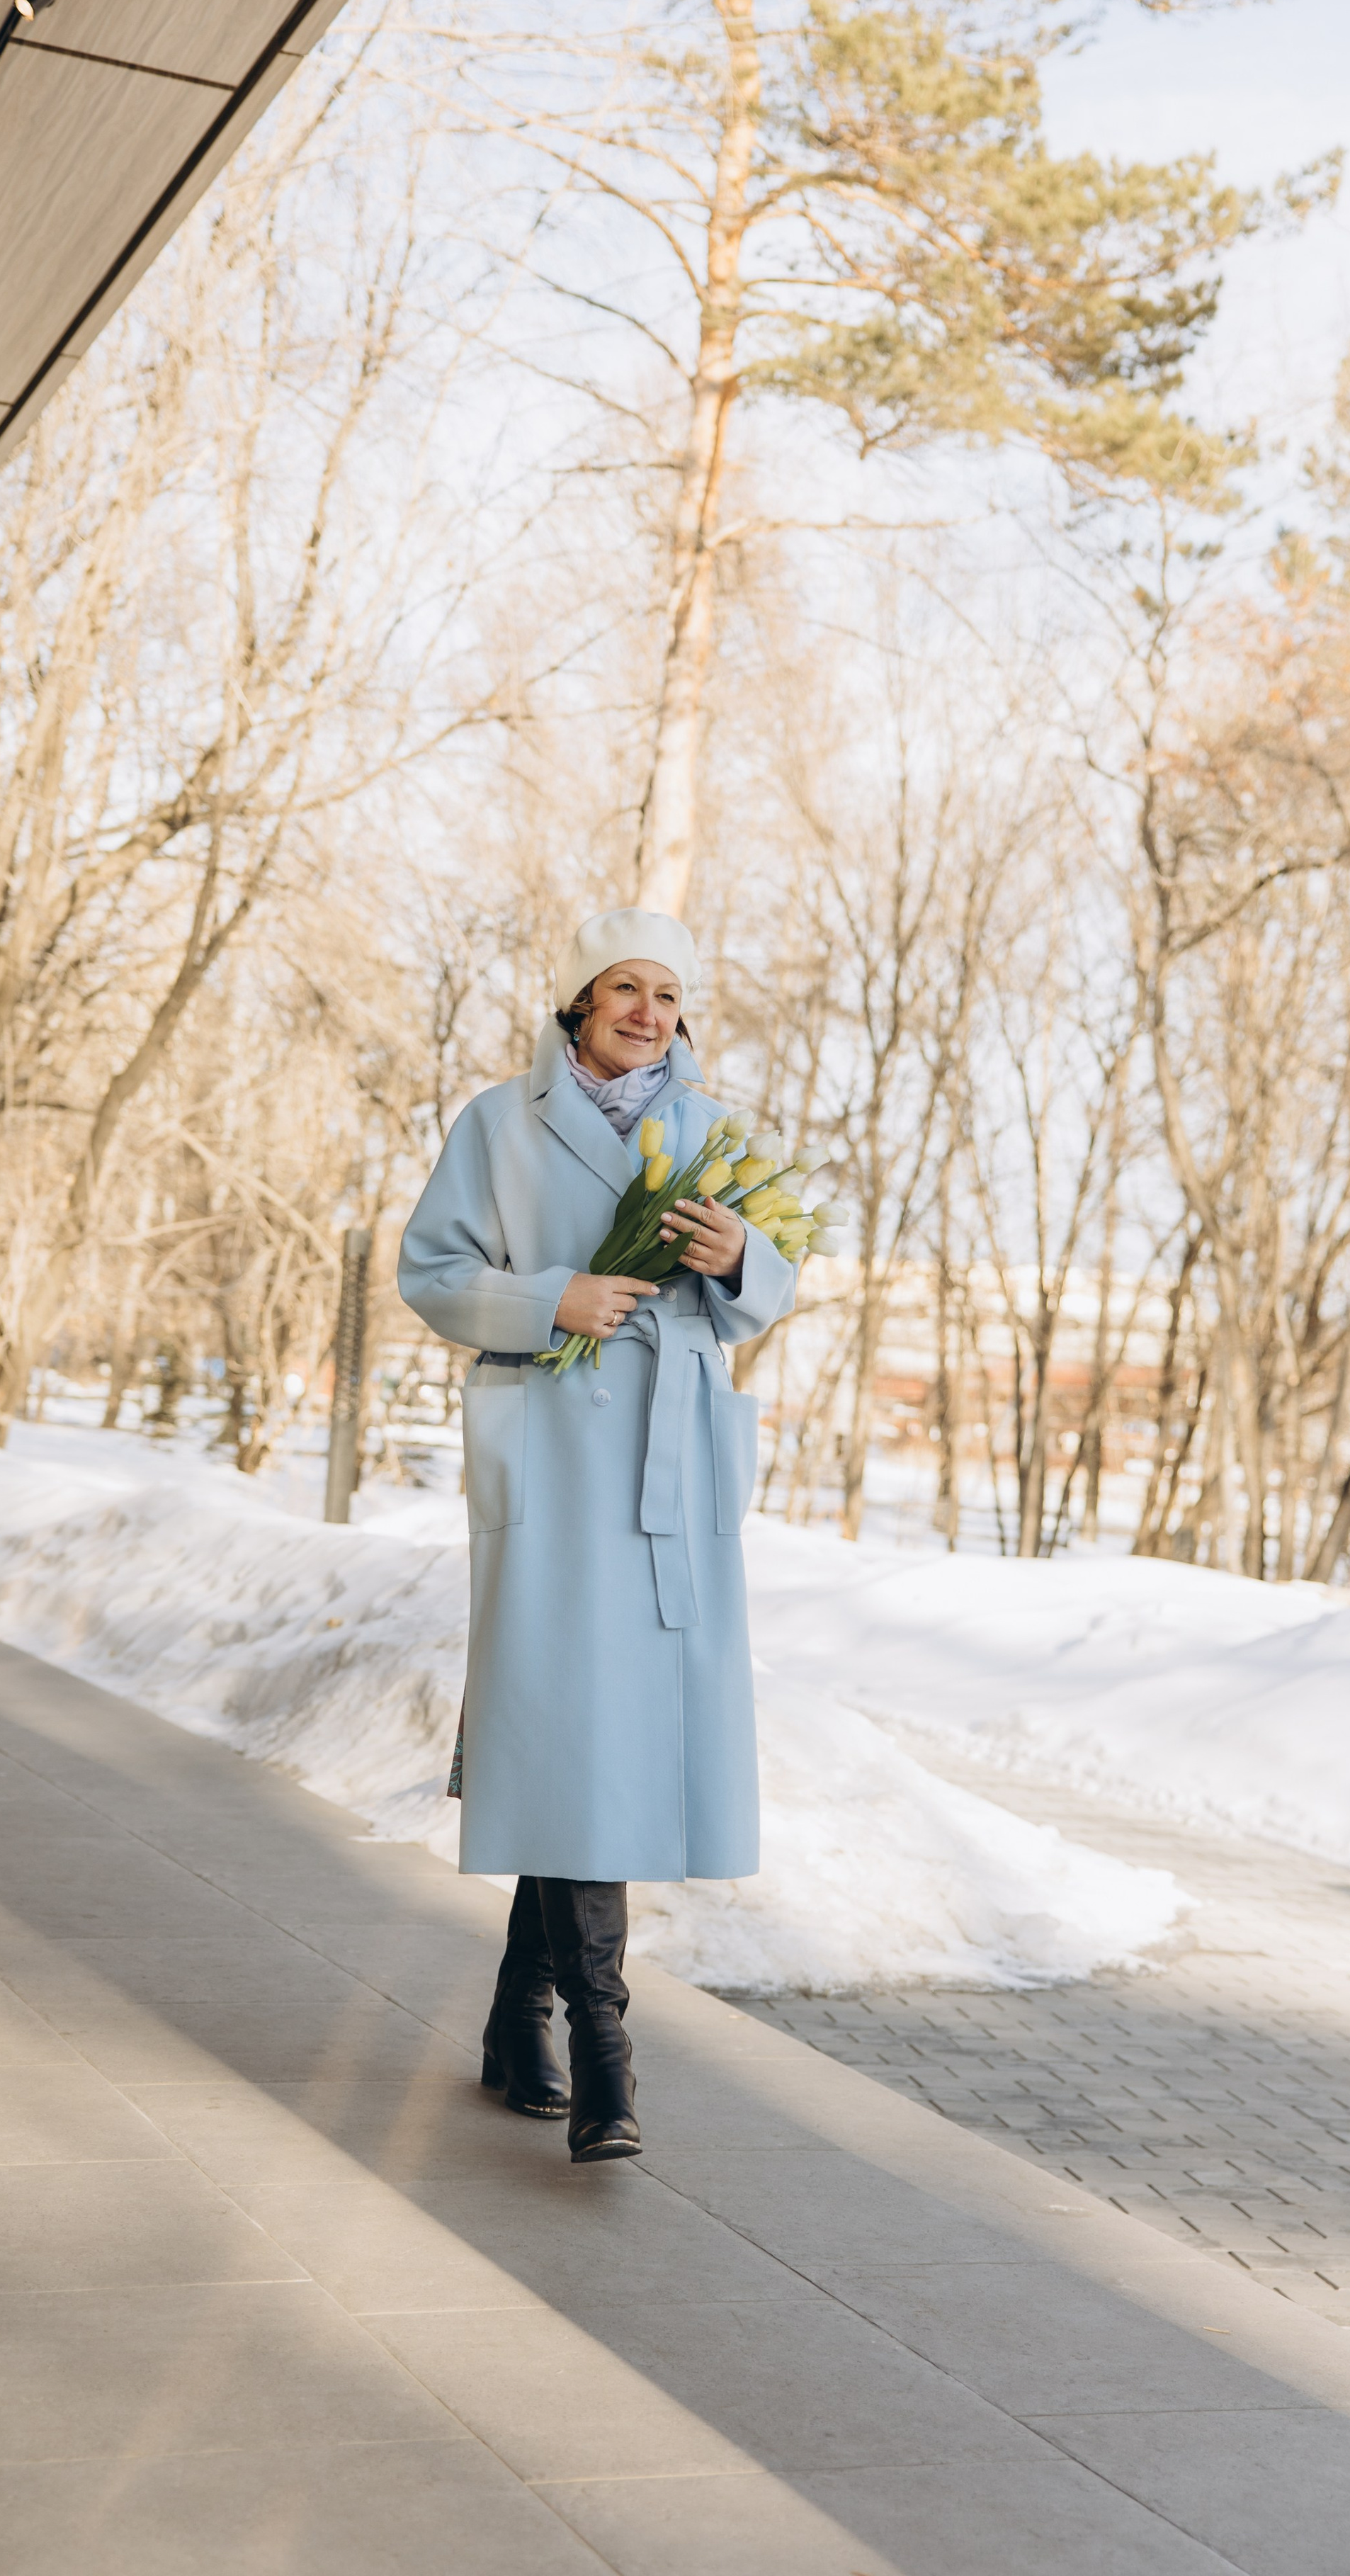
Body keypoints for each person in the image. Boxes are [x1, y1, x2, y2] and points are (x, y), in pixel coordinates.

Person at [397, 908, 795, 2161]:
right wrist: (547, 1299)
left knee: (593, 1752)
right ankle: (607, 2057)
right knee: (572, 1736)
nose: (648, 1014)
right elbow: (431, 1271)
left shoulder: (714, 1130)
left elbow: (760, 1300)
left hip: (668, 1469)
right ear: (579, 1002)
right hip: (557, 1461)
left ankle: (523, 2018)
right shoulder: (498, 1122)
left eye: (668, 996)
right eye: (626, 988)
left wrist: (742, 1258)